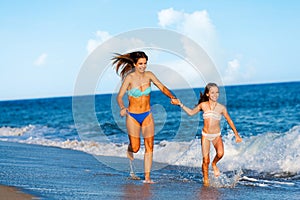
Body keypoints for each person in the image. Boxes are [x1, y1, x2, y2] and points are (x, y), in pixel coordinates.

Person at [113, 51, 177, 183]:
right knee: (136, 148)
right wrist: (122, 108)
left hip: (147, 114)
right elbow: (119, 96)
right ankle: (130, 148)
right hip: (132, 116)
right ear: (135, 64)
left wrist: (172, 97)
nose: (143, 66)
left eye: (145, 63)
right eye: (140, 64)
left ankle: (147, 177)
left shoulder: (149, 75)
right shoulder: (129, 78)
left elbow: (162, 87)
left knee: (149, 146)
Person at [172, 83, 242, 186]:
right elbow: (191, 113)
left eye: (217, 92)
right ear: (208, 94)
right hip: (205, 135)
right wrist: (180, 104)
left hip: (217, 135)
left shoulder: (221, 108)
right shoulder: (203, 105)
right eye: (212, 92)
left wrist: (236, 135)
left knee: (220, 153)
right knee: (205, 160)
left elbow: (230, 120)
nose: (215, 94)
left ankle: (214, 164)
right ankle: (206, 180)